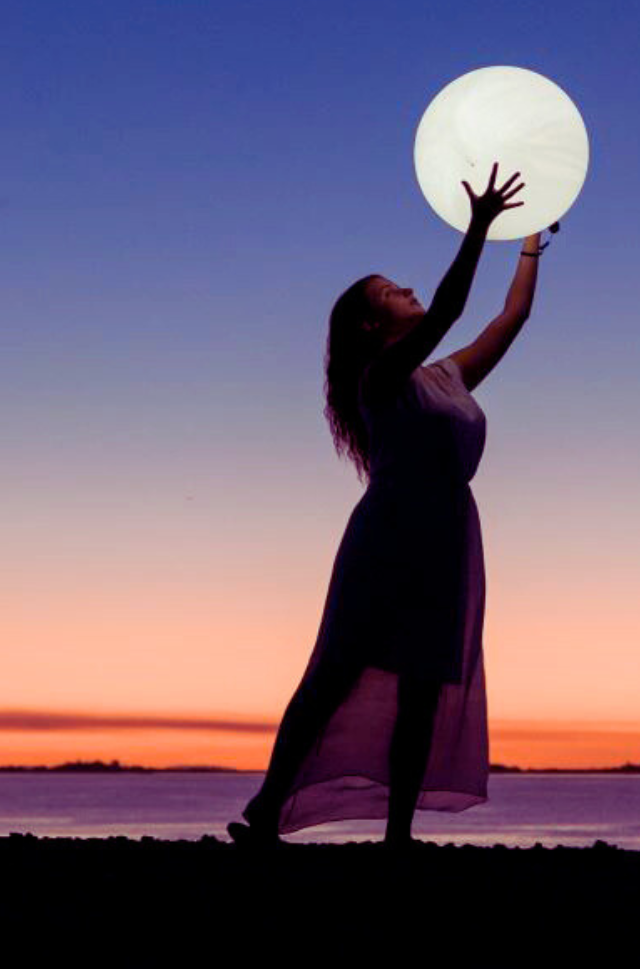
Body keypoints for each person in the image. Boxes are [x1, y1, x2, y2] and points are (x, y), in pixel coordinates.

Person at [228, 162, 549, 849]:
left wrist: (526, 245)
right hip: (389, 534)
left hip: (448, 536)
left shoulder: (447, 375)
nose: (406, 289)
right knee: (337, 671)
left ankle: (397, 836)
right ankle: (267, 810)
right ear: (375, 323)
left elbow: (511, 316)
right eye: (392, 291)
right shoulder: (382, 377)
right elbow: (453, 307)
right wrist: (478, 227)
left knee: (424, 686)